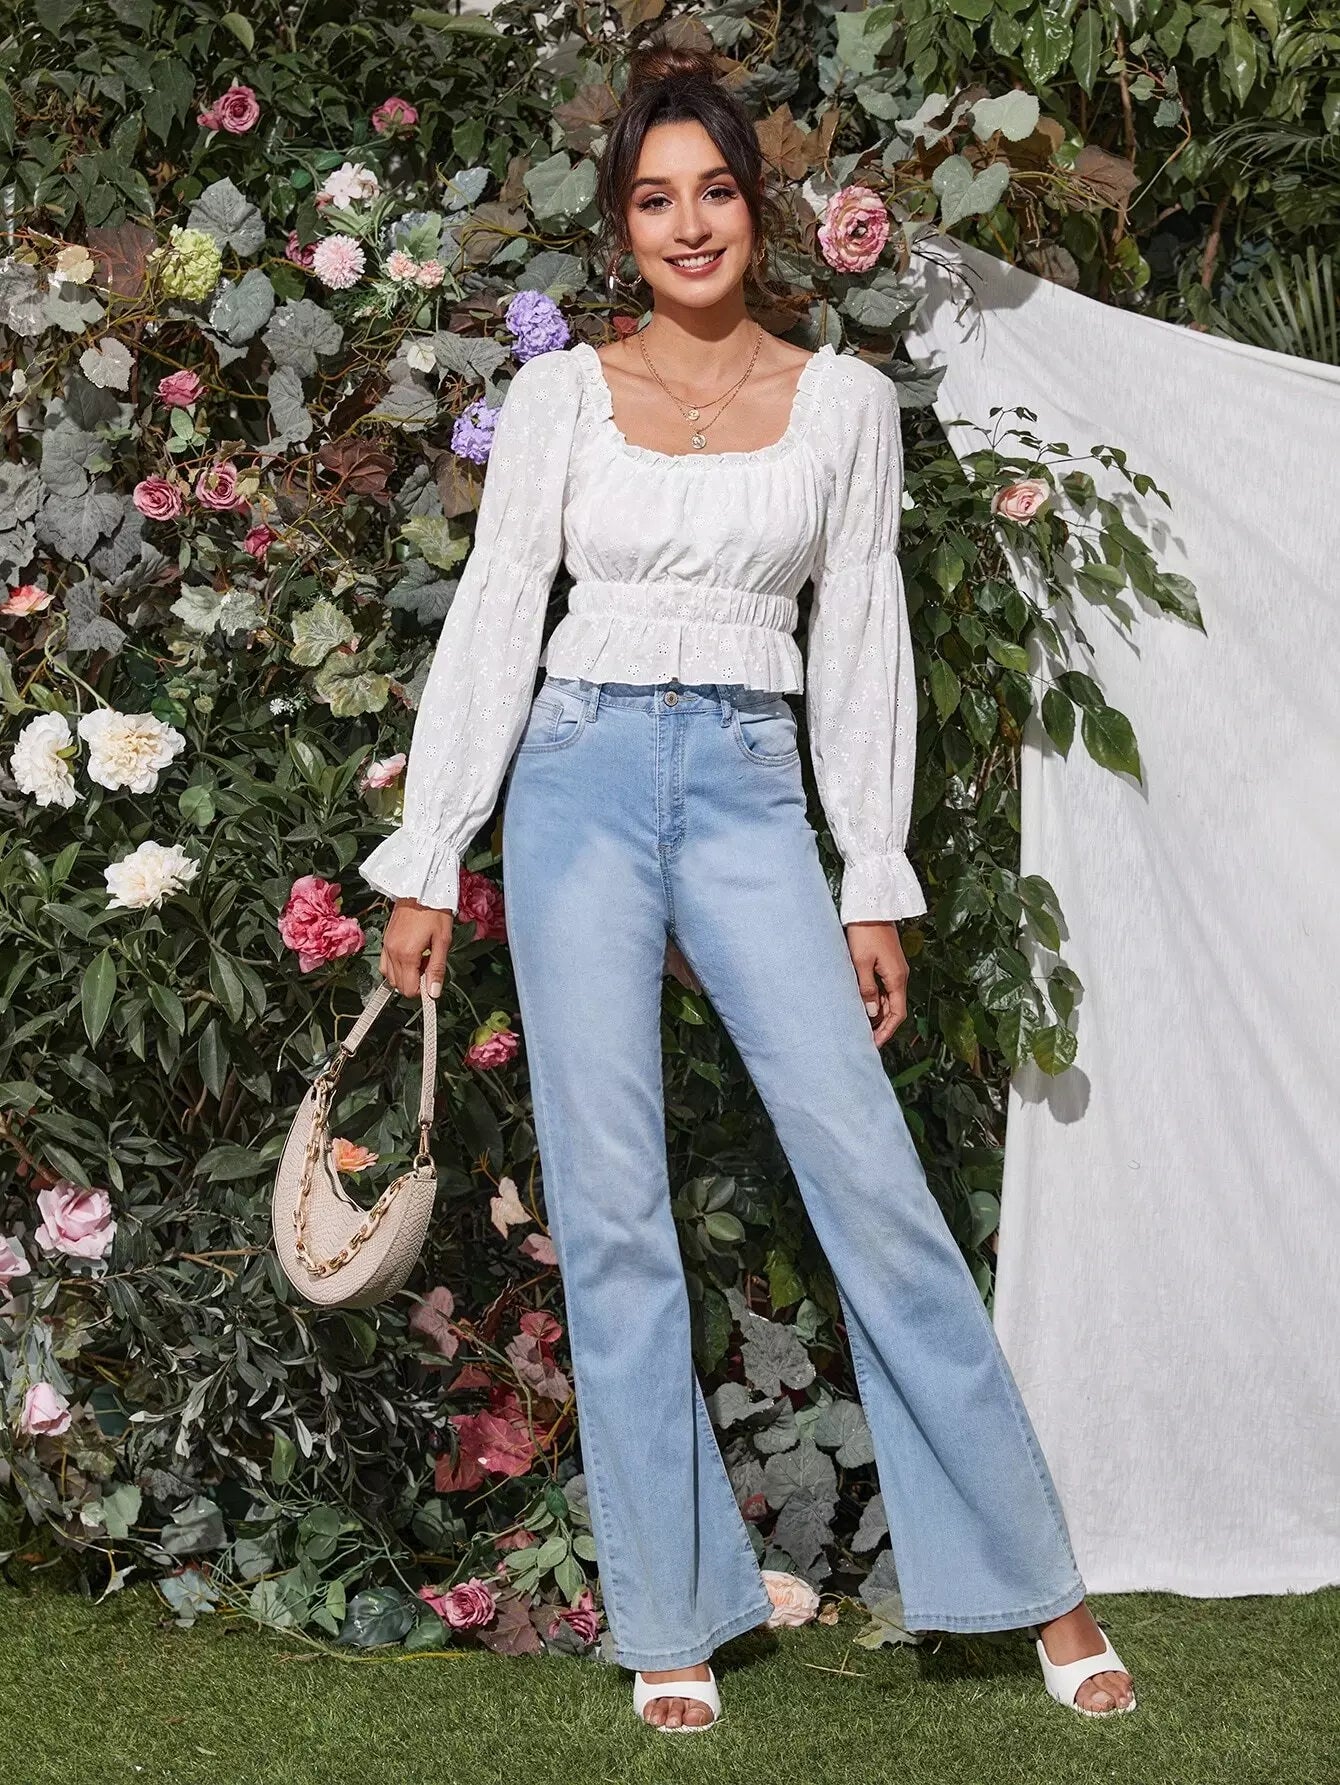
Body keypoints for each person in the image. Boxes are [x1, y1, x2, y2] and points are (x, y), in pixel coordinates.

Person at [363, 42, 1137, 1734]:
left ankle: (1037, 1581)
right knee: (612, 1208)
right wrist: (431, 851)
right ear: (621, 225)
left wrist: (874, 879)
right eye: (655, 199)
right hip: (574, 778)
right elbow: (496, 617)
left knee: (870, 1176)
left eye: (714, 190)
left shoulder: (842, 404)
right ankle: (671, 1613)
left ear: (755, 207)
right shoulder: (563, 399)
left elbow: (862, 642)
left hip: (745, 784)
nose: (689, 223)